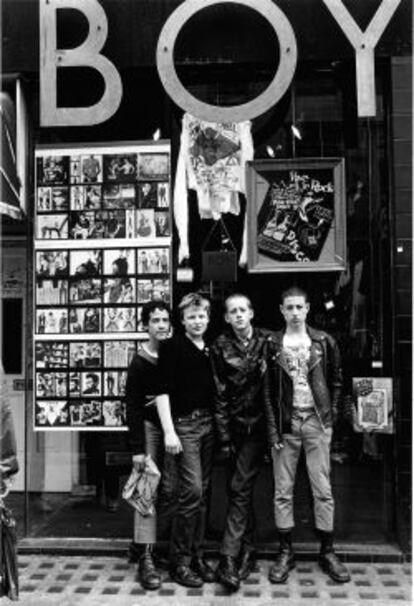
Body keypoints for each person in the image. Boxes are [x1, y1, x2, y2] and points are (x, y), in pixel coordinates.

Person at [263, 286, 350, 584]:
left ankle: (327, 550)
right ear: (282, 310)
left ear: (308, 308)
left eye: (300, 307)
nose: (295, 312)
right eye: (290, 307)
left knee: (322, 488)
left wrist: (331, 418)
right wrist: (273, 428)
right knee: (282, 490)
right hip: (287, 422)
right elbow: (268, 391)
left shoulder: (324, 341)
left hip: (316, 421)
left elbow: (337, 381)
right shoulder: (272, 343)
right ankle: (285, 551)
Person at [210, 293, 274, 591]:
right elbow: (219, 394)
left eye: (242, 310)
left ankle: (228, 557)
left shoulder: (268, 342)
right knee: (239, 489)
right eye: (232, 311)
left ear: (251, 313)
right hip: (233, 426)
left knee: (238, 488)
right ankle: (249, 548)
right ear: (226, 318)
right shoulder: (220, 347)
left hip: (258, 427)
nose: (238, 315)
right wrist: (223, 437)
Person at [155, 293, 216, 588]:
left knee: (203, 494)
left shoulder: (211, 348)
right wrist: (169, 431)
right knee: (190, 492)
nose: (197, 321)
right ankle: (178, 561)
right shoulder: (171, 348)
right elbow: (162, 392)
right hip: (184, 426)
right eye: (191, 317)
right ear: (182, 320)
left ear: (208, 317)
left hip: (208, 425)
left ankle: (197, 555)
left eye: (202, 315)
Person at [126, 301, 173, 590]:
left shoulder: (173, 353)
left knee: (172, 489)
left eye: (165, 320)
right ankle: (145, 556)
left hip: (174, 429)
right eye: (155, 320)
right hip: (149, 429)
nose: (161, 325)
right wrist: (138, 449)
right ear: (146, 324)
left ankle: (163, 546)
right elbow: (131, 406)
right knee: (147, 490)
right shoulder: (140, 360)